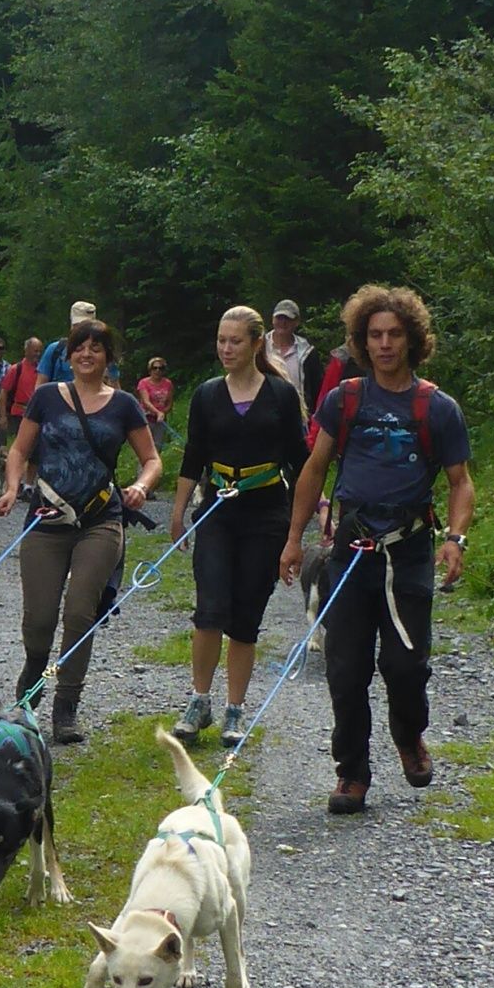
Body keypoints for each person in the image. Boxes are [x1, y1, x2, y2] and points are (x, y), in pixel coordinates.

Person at [280, 285, 474, 815]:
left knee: (407, 665)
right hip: (351, 548)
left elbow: (460, 482)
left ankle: (409, 736)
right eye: (375, 335)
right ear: (362, 342)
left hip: (407, 552)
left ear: (412, 340)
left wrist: (455, 540)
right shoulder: (343, 399)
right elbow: (315, 468)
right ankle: (352, 773)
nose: (385, 344)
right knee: (344, 668)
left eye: (394, 334)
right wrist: (295, 539)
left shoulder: (437, 407)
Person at [0, 317, 162, 744]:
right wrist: (14, 486)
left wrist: (141, 487)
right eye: (79, 348)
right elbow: (19, 448)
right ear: (68, 355)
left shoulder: (123, 404)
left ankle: (66, 706)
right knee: (40, 617)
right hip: (47, 519)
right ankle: (33, 675)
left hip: (100, 520)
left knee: (79, 613)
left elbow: (152, 460)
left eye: (96, 348)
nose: (86, 355)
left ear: (108, 356)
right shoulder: (47, 398)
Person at [168, 307, 308, 748]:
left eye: (235, 341)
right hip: (217, 510)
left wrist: (300, 530)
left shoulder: (281, 397)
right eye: (221, 340)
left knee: (246, 616)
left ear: (255, 345)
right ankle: (199, 698)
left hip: (266, 511)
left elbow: (301, 463)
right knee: (209, 608)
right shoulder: (208, 395)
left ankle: (235, 709)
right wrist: (177, 512)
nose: (226, 349)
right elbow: (194, 456)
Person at [267, 298, 325, 406]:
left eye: (288, 319)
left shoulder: (308, 352)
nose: (283, 322)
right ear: (273, 319)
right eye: (279, 318)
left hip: (299, 414)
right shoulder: (259, 348)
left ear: (296, 322)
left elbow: (317, 387)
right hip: (266, 413)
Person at [0, 336, 42, 437]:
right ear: (27, 351)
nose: (38, 354)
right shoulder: (16, 369)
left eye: (40, 351)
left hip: (36, 415)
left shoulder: (42, 370)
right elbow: (4, 391)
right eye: (35, 351)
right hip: (19, 414)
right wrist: (3, 416)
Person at [135, 356, 176, 449]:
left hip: (160, 421)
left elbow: (169, 403)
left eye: (160, 368)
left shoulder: (168, 383)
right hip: (146, 419)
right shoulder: (143, 383)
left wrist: (163, 413)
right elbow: (146, 401)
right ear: (150, 370)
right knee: (145, 448)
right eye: (155, 368)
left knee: (157, 448)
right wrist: (157, 413)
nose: (157, 370)